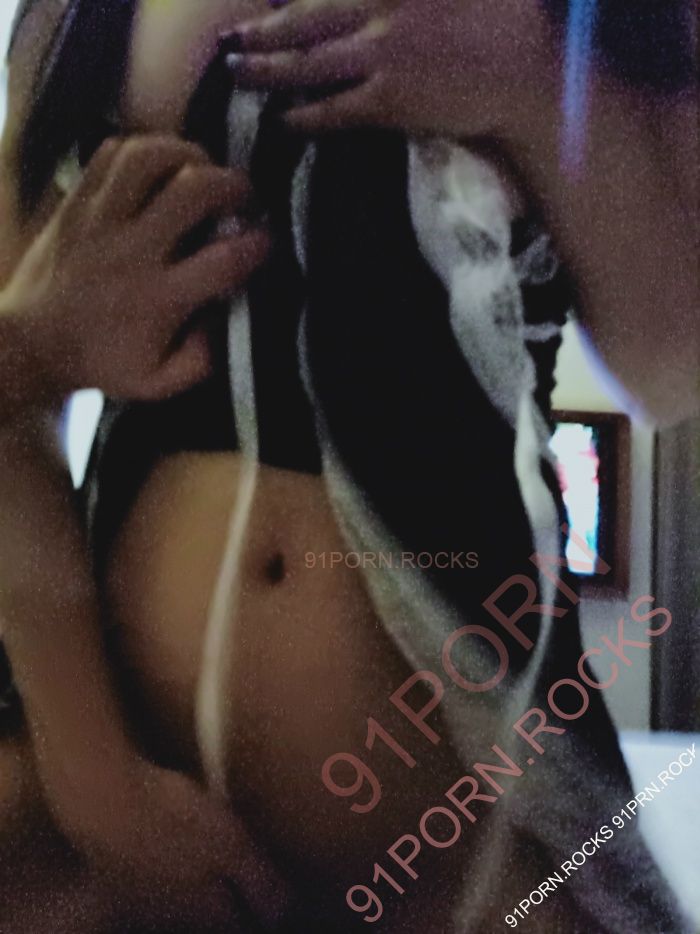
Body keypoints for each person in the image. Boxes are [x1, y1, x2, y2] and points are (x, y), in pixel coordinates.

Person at [0, 0, 692, 931]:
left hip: (474, 836)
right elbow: (11, 412)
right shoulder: (73, 17)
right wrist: (95, 780)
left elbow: (672, 367)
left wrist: (533, 86)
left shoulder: (589, 20)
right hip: (139, 821)